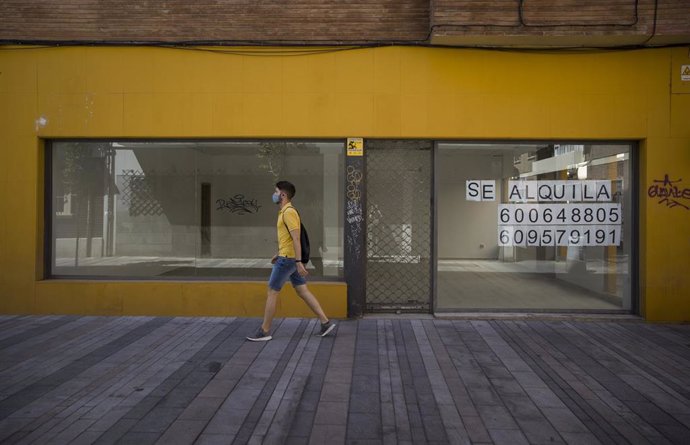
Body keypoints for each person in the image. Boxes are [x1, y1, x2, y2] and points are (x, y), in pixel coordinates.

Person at [246, 181, 336, 341]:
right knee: (302, 291)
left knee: (272, 292)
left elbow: (296, 238)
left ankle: (264, 331)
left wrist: (298, 261)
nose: (273, 195)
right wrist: (279, 252)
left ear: (283, 195)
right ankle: (325, 323)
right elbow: (288, 239)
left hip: (288, 260)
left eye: (276, 192)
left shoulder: (288, 212)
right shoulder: (284, 212)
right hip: (287, 256)